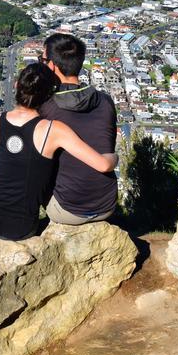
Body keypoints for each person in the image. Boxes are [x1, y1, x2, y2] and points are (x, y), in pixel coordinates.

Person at [0, 63, 118, 240]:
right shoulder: (53, 130)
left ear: (17, 85)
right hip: (20, 226)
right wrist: (114, 157)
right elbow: (102, 165)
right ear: (49, 96)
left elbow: (8, 161)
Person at [38, 32, 119, 225]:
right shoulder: (105, 101)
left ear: (52, 65)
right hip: (106, 205)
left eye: (42, 59)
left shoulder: (46, 106)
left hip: (67, 209)